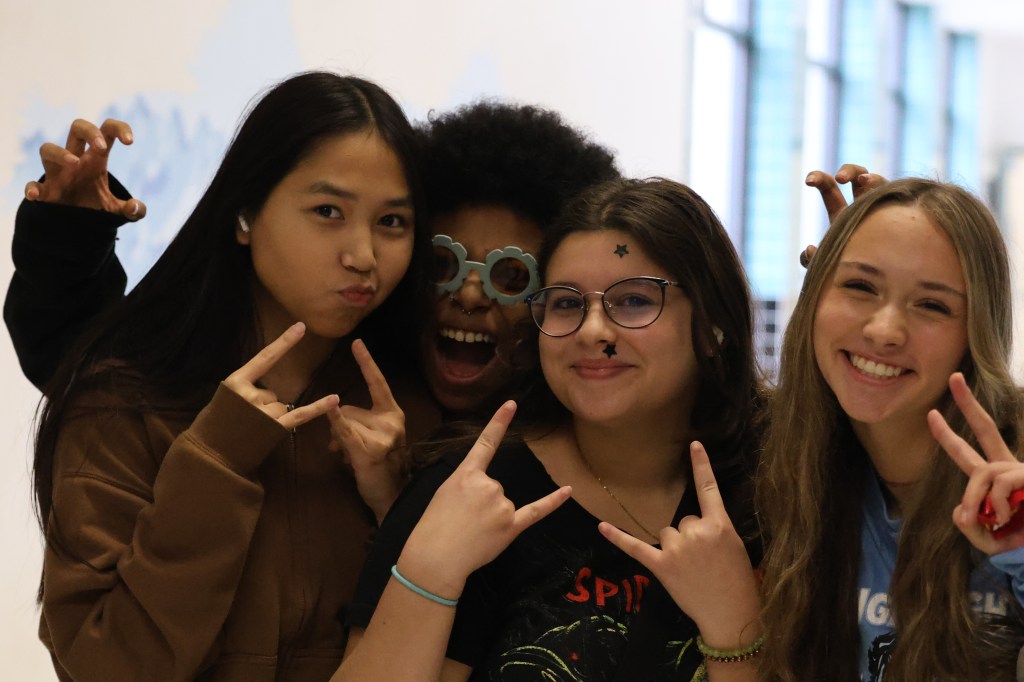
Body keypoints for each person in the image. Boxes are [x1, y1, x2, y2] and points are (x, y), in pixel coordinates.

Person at [29, 71, 442, 681]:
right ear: (245, 214)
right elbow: (103, 666)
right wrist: (215, 462)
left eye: (392, 223)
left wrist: (396, 503)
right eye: (327, 211)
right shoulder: (124, 400)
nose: (363, 256)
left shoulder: (414, 412)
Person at [337, 177, 765, 681]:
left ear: (712, 325)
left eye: (633, 300)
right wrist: (428, 572)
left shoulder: (779, 490)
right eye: (566, 303)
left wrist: (735, 633)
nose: (593, 331)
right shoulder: (472, 494)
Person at [5, 102, 620, 422]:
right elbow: (88, 365)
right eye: (443, 263)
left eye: (512, 276)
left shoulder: (584, 420)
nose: (470, 294)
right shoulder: (353, 360)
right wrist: (67, 238)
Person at [756, 178, 1024, 681]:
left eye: (932, 305)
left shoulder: (1014, 480)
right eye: (860, 286)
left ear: (977, 332)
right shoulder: (777, 462)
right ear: (814, 296)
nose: (883, 331)